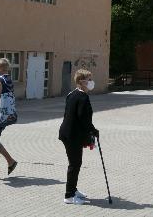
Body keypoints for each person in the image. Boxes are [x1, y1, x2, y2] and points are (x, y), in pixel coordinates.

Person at [58, 69, 99, 205]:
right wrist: (93, 130)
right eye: (89, 79)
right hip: (72, 135)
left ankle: (73, 190)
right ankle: (69, 195)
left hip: (69, 133)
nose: (91, 82)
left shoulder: (72, 94)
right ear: (81, 81)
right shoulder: (82, 97)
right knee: (74, 164)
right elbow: (83, 119)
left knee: (76, 163)